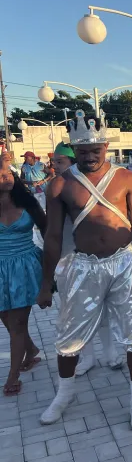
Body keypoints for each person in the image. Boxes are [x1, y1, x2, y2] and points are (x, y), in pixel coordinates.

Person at [36, 112, 132, 429]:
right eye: (83, 151)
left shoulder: (127, 178)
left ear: (106, 146)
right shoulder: (60, 185)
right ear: (73, 149)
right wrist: (45, 283)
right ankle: (64, 394)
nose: (90, 155)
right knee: (68, 336)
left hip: (124, 262)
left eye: (96, 149)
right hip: (82, 267)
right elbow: (53, 237)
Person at [50, 143, 122, 375]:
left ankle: (111, 353)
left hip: (96, 260)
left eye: (60, 162)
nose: (55, 166)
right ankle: (87, 356)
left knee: (104, 308)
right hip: (68, 261)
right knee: (77, 313)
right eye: (54, 162)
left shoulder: (91, 188)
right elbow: (50, 231)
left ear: (73, 163)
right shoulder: (57, 188)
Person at [0, 164, 46, 395]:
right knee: (7, 320)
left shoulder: (28, 203)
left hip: (24, 267)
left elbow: (48, 231)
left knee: (17, 323)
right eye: (0, 175)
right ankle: (31, 349)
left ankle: (12, 376)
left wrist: (54, 265)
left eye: (8, 173)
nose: (5, 178)